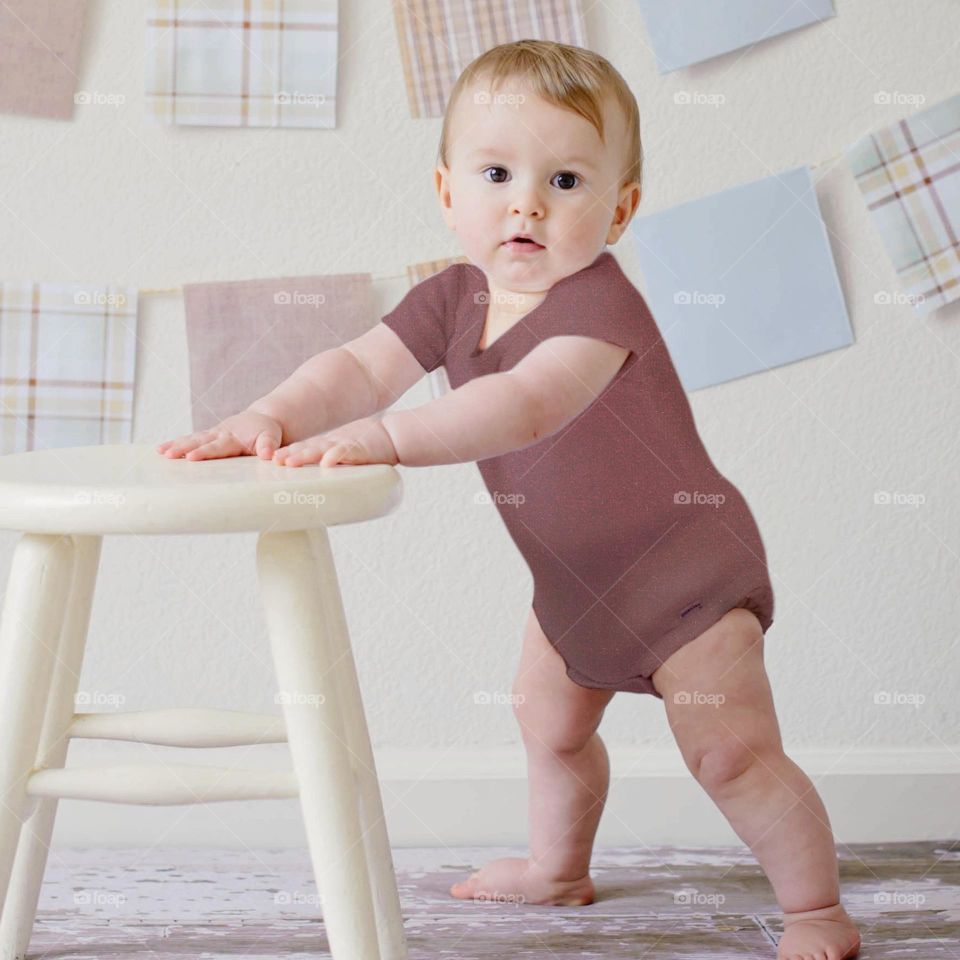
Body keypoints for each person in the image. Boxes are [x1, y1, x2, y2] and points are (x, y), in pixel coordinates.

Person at [157, 39, 861, 960]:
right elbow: (358, 368)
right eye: (497, 172)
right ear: (448, 193)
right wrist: (270, 415)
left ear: (622, 208)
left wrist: (385, 439)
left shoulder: (603, 309)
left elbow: (522, 406)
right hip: (574, 584)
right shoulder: (451, 298)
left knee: (729, 754)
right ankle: (558, 868)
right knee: (549, 726)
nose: (527, 201)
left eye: (566, 179)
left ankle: (815, 909)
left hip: (689, 573)